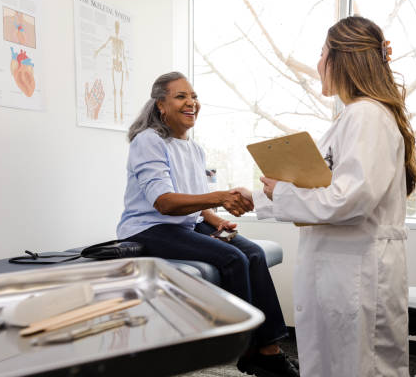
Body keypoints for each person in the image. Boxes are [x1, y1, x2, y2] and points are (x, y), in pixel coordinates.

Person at [235, 16, 416, 376]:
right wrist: (257, 198)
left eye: (321, 53)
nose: (318, 63)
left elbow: (349, 200)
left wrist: (281, 191)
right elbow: (322, 186)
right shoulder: (353, 117)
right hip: (344, 268)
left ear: (341, 59)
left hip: (357, 272)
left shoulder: (366, 116)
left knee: (358, 366)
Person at [117, 72, 299, 377]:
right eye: (180, 97)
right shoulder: (148, 141)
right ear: (161, 105)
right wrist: (218, 198)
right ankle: (247, 348)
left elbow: (193, 201)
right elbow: (163, 202)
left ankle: (269, 350)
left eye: (194, 96)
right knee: (232, 259)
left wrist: (213, 217)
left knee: (252, 253)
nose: (191, 103)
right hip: (149, 228)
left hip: (184, 225)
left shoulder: (194, 148)